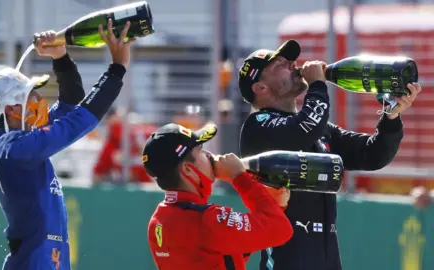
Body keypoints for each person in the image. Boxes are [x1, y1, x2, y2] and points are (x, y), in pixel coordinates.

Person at [237, 39, 422, 270]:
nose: (294, 65)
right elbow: (304, 127)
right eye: (280, 65)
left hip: (327, 259)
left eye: (290, 60)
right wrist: (317, 84)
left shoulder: (318, 128)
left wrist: (391, 116)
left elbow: (373, 154)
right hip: (287, 260)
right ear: (260, 88)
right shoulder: (259, 126)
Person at [0, 19, 134, 270]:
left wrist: (61, 58)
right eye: (31, 95)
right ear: (12, 109)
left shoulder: (17, 142)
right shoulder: (13, 149)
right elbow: (78, 121)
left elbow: (71, 105)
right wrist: (116, 70)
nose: (39, 100)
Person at [143, 122, 293, 270]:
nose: (209, 155)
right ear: (188, 169)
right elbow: (281, 229)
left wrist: (275, 206)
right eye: (201, 150)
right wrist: (238, 177)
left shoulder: (158, 220)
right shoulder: (207, 219)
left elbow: (229, 253)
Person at [92, 107, 158, 185]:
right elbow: (97, 173)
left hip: (147, 179)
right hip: (128, 181)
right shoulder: (110, 146)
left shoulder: (137, 134)